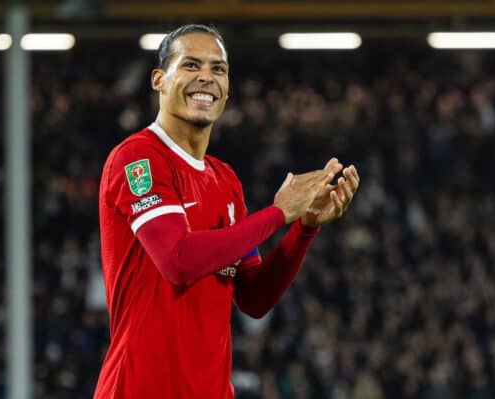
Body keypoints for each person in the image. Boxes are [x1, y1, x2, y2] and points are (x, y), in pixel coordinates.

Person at [94, 24, 360, 399]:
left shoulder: (225, 181)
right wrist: (276, 214)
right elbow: (178, 261)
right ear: (159, 80)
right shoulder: (138, 157)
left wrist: (303, 227)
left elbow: (253, 298)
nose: (206, 77)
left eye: (218, 69)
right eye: (190, 65)